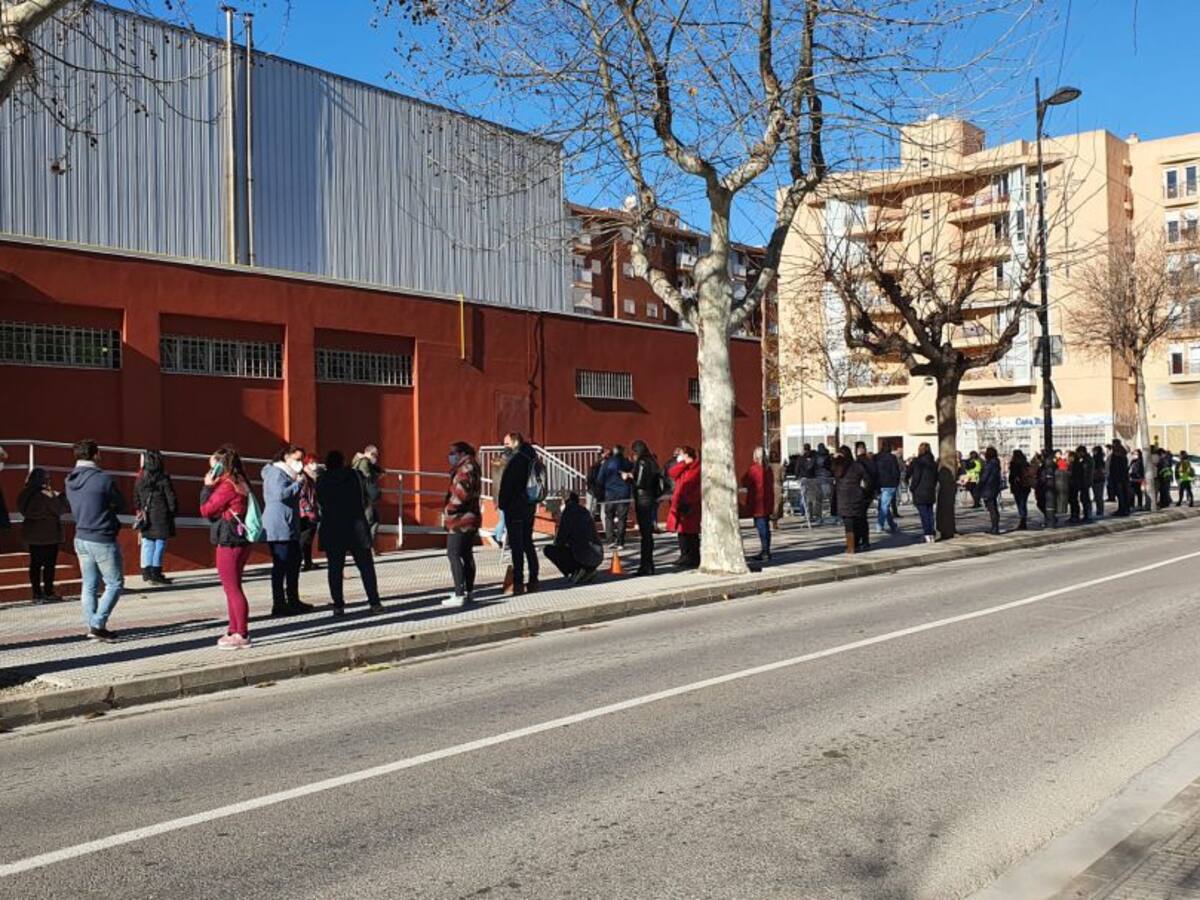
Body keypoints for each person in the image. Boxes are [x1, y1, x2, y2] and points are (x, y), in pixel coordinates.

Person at [64, 439, 126, 641]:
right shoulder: (103, 479)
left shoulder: (69, 479)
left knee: (89, 585)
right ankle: (98, 624)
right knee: (114, 583)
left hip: (81, 535)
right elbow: (120, 503)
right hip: (102, 536)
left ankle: (92, 625)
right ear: (96, 454)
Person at [199, 446, 254, 649]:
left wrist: (206, 487)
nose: (210, 471)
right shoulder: (241, 481)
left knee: (232, 588)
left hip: (229, 540)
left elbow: (206, 509)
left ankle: (241, 633)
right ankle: (234, 628)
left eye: (212, 467)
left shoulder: (227, 486)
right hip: (240, 539)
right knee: (233, 586)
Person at [316, 450, 383, 616]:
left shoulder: (321, 480)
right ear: (343, 461)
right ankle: (374, 602)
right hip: (356, 526)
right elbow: (372, 495)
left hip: (332, 527)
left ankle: (338, 605)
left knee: (335, 569)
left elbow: (320, 502)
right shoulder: (355, 476)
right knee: (366, 567)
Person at [262, 444, 313, 616]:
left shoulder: (288, 474)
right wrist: (297, 484)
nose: (299, 463)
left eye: (301, 460)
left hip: (290, 525)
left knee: (294, 563)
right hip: (278, 525)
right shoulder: (275, 473)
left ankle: (293, 599)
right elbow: (279, 495)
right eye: (297, 459)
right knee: (281, 566)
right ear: (286, 457)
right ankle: (279, 604)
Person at [497, 432, 540, 594]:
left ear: (515, 443)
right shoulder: (532, 457)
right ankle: (534, 580)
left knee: (517, 546)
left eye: (507, 443)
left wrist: (502, 503)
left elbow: (508, 485)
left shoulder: (517, 460)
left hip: (515, 506)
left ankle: (518, 582)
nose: (505, 447)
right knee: (528, 542)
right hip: (529, 505)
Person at [17, 467, 69, 602]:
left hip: (33, 535)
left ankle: (36, 593)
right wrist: (61, 497)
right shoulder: (47, 495)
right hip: (49, 534)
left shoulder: (24, 494)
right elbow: (59, 509)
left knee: (35, 564)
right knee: (49, 565)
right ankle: (48, 592)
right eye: (47, 478)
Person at [442, 441, 482, 606]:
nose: (450, 456)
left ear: (461, 453)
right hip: (471, 517)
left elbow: (462, 494)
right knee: (466, 554)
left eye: (453, 453)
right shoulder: (473, 466)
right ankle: (469, 591)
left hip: (460, 519)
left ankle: (459, 594)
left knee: (453, 554)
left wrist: (449, 509)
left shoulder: (465, 469)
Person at [134, 449, 178, 585]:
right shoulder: (163, 478)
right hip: (161, 515)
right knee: (159, 543)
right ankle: (156, 572)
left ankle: (146, 572)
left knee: (148, 542)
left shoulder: (141, 478)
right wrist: (173, 511)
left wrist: (140, 510)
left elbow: (135, 497)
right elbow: (171, 498)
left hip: (146, 515)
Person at [544, 491, 603, 584]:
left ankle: (576, 570)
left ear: (567, 502)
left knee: (549, 550)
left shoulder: (568, 513)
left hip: (583, 556)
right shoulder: (585, 511)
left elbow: (560, 540)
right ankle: (588, 570)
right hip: (598, 555)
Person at [631, 440, 663, 575]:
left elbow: (639, 482)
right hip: (651, 498)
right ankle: (648, 564)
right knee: (647, 534)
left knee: (645, 535)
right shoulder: (653, 461)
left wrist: (629, 477)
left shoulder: (643, 462)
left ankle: (646, 565)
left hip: (643, 498)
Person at [666, 446, 701, 568]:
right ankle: (684, 556)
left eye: (682, 454)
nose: (680, 457)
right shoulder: (684, 468)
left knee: (691, 533)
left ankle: (693, 558)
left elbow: (692, 487)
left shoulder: (696, 469)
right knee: (682, 532)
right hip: (680, 504)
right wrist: (683, 464)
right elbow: (672, 472)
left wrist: (688, 502)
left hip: (690, 505)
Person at [742, 447, 775, 562]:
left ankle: (765, 551)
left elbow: (745, 481)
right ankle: (766, 550)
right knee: (766, 527)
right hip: (767, 501)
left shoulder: (754, 469)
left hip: (757, 502)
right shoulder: (768, 469)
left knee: (761, 527)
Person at [834, 446, 869, 553]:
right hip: (856, 495)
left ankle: (850, 546)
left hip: (843, 497)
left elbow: (828, 468)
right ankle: (856, 543)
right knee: (857, 520)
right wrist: (864, 491)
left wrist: (835, 459)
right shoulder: (857, 466)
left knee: (848, 522)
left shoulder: (838, 466)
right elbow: (867, 479)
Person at [599, 444, 634, 548]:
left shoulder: (607, 463)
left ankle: (610, 540)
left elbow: (600, 478)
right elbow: (633, 471)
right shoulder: (626, 462)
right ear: (622, 451)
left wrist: (602, 489)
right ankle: (620, 542)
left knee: (609, 516)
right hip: (624, 493)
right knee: (622, 518)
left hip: (610, 493)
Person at [352, 444, 384, 555]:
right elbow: (366, 476)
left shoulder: (363, 462)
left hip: (367, 497)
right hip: (366, 497)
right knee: (369, 521)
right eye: (375, 455)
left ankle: (369, 547)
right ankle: (365, 548)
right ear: (370, 453)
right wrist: (377, 475)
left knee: (374, 521)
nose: (376, 458)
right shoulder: (364, 462)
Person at [908, 443, 938, 543]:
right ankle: (931, 534)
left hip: (920, 490)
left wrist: (912, 487)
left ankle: (927, 534)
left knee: (924, 514)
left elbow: (916, 476)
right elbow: (935, 478)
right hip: (930, 490)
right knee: (929, 513)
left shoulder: (918, 462)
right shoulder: (933, 462)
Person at [298, 454, 321, 571]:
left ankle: (308, 562)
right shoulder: (304, 477)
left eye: (315, 462)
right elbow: (301, 496)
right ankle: (297, 561)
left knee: (308, 539)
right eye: (311, 463)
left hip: (312, 510)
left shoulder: (313, 477)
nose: (315, 465)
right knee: (304, 538)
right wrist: (308, 510)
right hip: (305, 513)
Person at [874, 442, 901, 534]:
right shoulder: (892, 458)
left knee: (883, 505)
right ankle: (879, 525)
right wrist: (896, 482)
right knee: (884, 506)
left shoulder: (876, 457)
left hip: (878, 484)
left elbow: (873, 470)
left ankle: (891, 524)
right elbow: (896, 471)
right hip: (889, 484)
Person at [979, 446, 1002, 534]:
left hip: (988, 487)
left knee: (991, 508)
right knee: (993, 507)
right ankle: (995, 527)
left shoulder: (989, 464)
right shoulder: (996, 463)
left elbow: (984, 477)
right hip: (994, 487)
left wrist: (980, 485)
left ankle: (995, 528)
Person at [1008, 449, 1033, 531]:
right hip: (1026, 486)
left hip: (1018, 486)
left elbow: (1012, 476)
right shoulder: (1026, 463)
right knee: (1023, 503)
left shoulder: (1014, 464)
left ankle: (1022, 520)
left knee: (1020, 503)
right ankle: (1023, 520)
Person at [1109, 440, 1131, 517]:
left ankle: (1124, 509)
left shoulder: (1120, 455)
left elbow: (1119, 467)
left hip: (1120, 478)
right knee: (1120, 494)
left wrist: (1117, 476)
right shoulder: (1117, 454)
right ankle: (1122, 509)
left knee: (1122, 494)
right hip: (1118, 477)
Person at [1091, 446, 1107, 518]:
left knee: (1098, 496)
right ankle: (1100, 510)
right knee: (1098, 496)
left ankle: (1100, 510)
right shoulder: (1101, 459)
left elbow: (1099, 469)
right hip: (1099, 479)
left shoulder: (1097, 459)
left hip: (1097, 478)